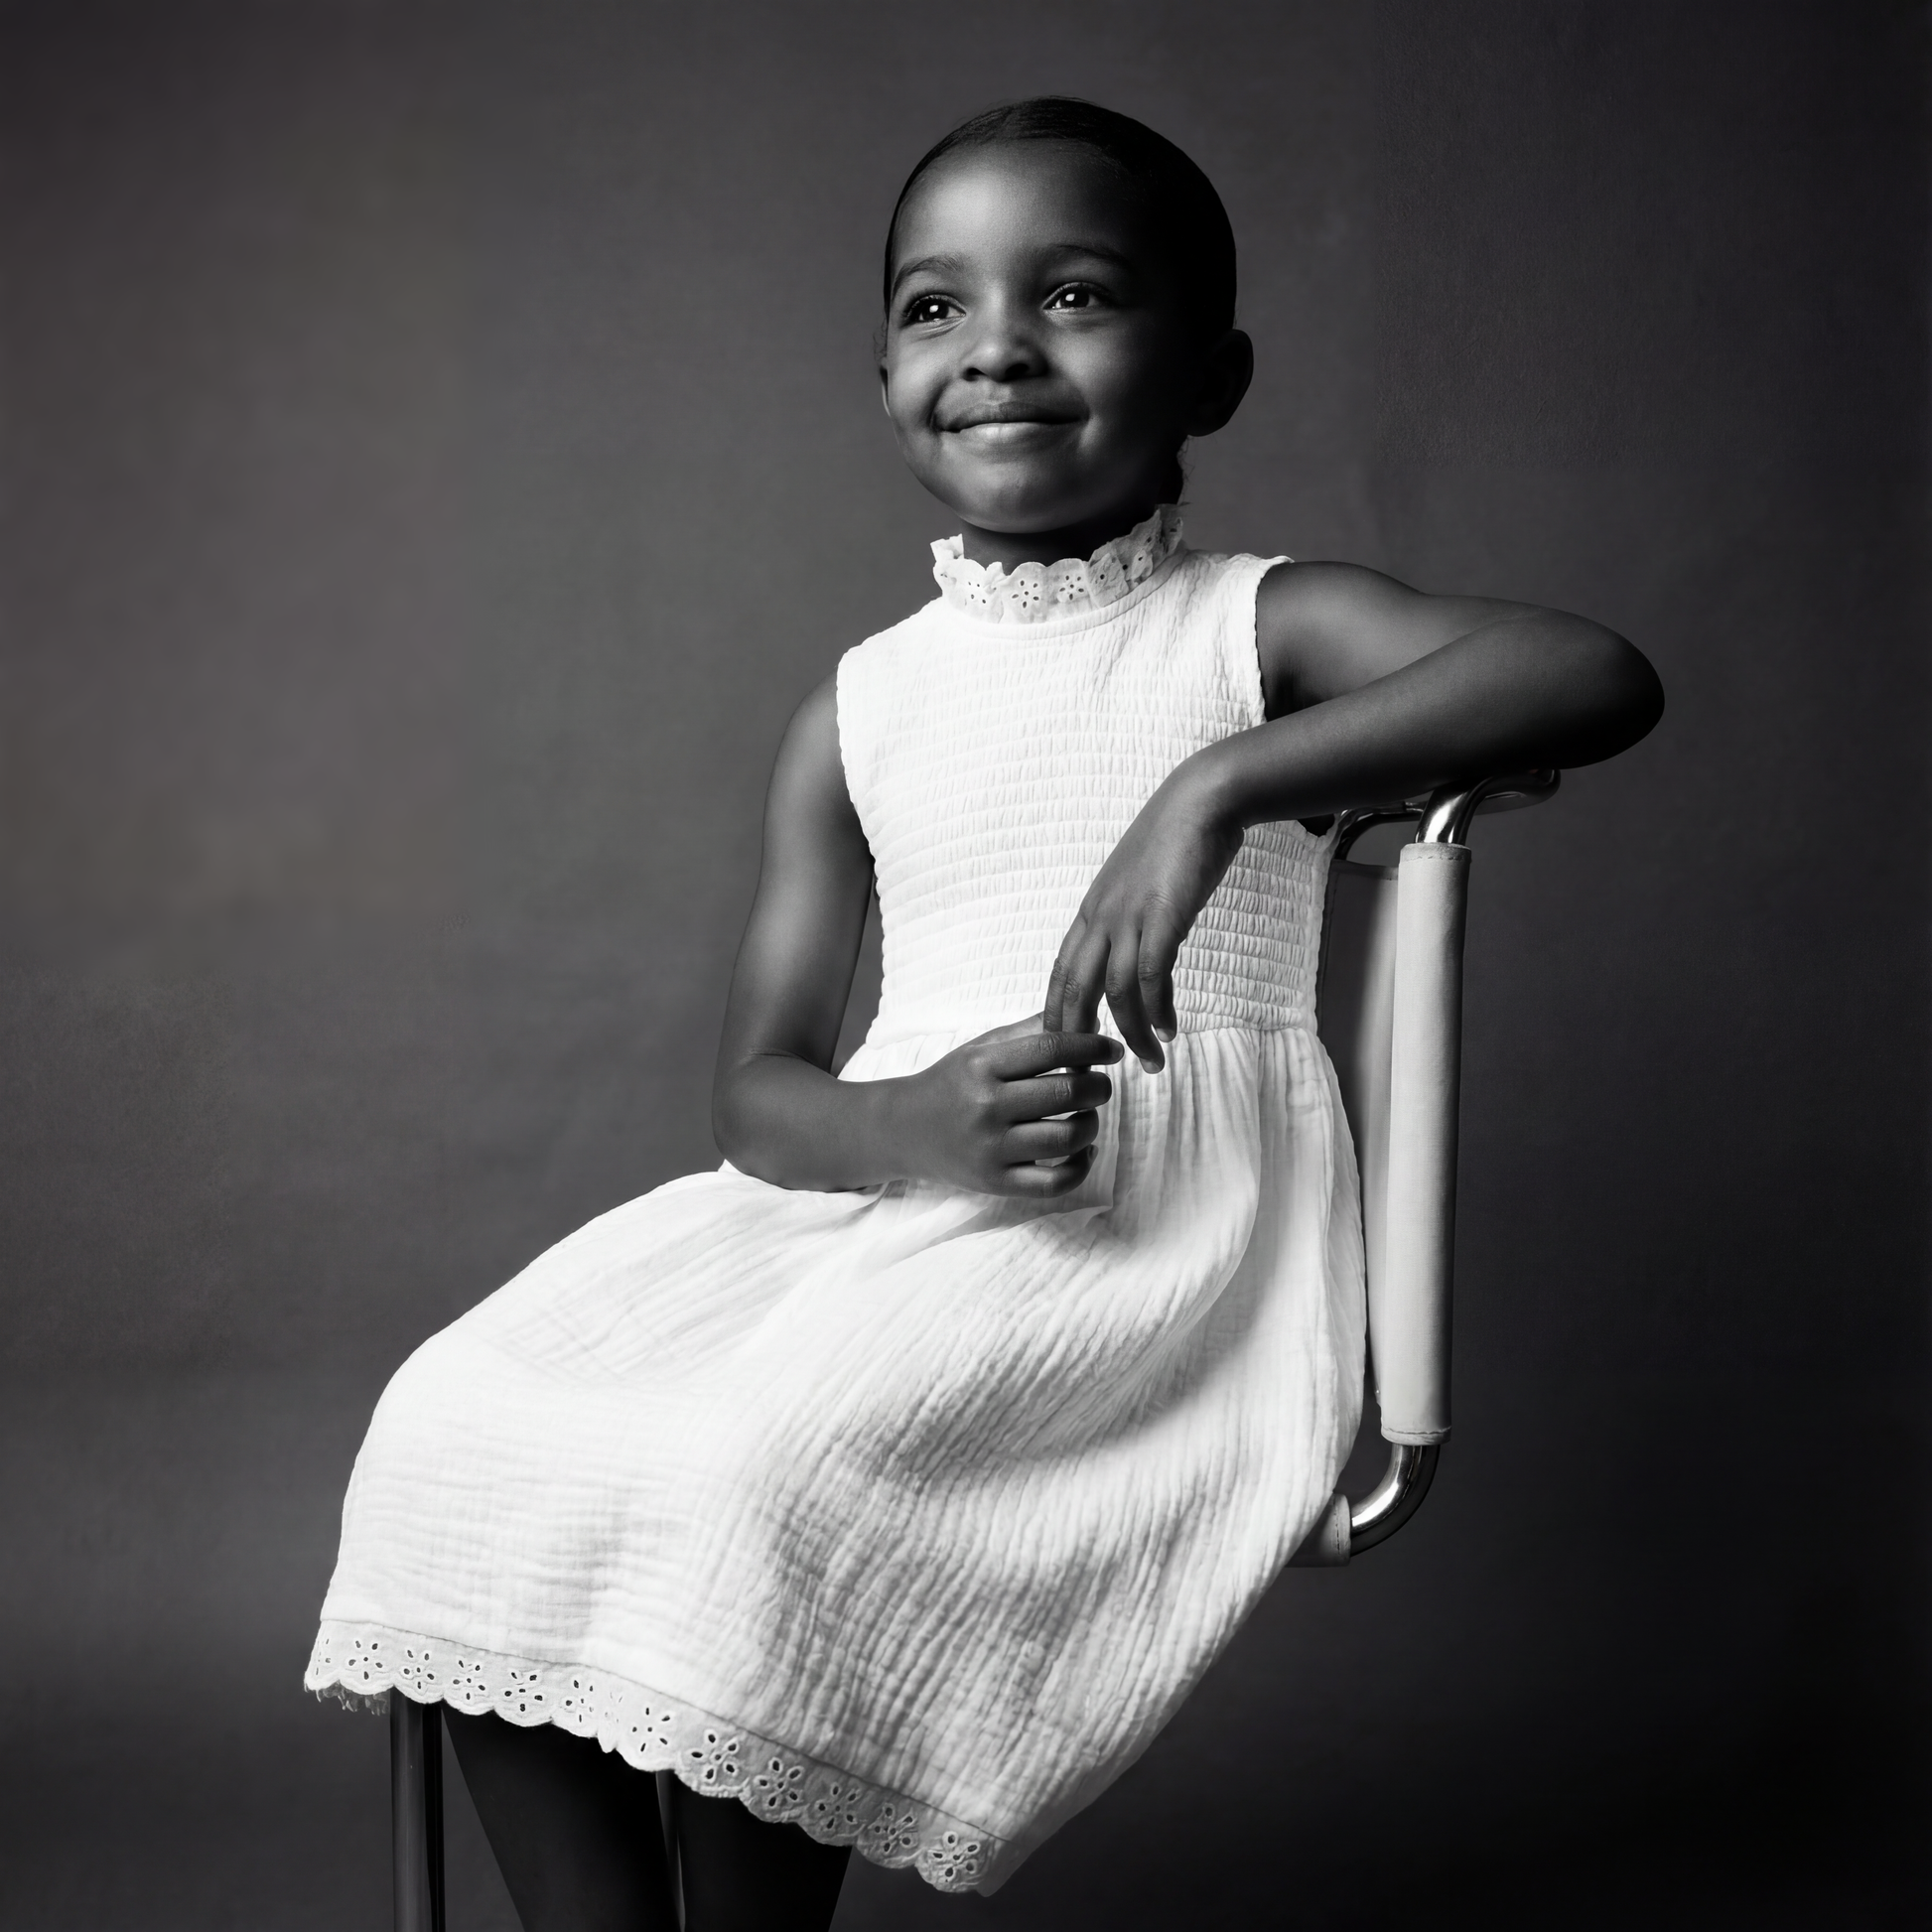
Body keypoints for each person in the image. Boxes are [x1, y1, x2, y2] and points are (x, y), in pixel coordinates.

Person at [306, 97, 1662, 1931]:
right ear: (883, 381)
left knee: (754, 1464)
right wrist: (911, 1125)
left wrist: (1219, 785)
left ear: (1211, 373)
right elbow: (758, 1092)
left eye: (1075, 295)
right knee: (466, 1416)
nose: (999, 346)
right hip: (878, 1195)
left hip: (1138, 1236)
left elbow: (1592, 670)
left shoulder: (1255, 629)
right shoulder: (859, 706)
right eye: (937, 307)